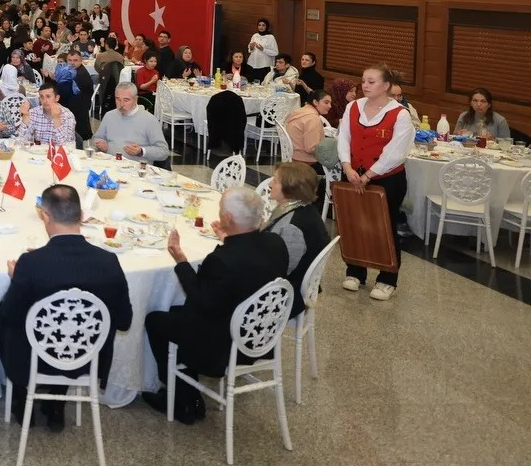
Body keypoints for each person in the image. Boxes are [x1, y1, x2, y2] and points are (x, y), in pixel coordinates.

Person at [141, 185, 288, 424]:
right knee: (177, 312)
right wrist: (228, 241)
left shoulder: (221, 260)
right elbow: (248, 271)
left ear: (227, 218)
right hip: (261, 335)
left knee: (155, 320)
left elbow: (201, 301)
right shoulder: (276, 243)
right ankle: (188, 393)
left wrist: (181, 261)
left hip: (223, 345)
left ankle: (181, 399)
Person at [0, 185, 132, 432]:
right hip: (87, 359)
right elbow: (124, 321)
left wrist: (17, 280)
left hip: (37, 358)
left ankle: (23, 397)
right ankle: (57, 404)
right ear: (81, 216)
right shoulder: (109, 262)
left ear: (45, 216)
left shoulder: (31, 263)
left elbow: (11, 315)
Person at [338, 65, 414, 301]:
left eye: (371, 82)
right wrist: (347, 167)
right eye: (363, 81)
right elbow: (344, 137)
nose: (365, 86)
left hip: (386, 179)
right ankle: (355, 271)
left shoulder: (400, 114)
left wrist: (369, 175)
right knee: (354, 224)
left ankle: (387, 278)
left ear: (386, 85)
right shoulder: (353, 107)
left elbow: (396, 152)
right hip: (353, 174)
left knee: (384, 227)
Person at [264, 162, 331, 316]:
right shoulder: (304, 209)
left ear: (290, 188)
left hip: (283, 297)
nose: (270, 184)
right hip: (289, 285)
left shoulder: (293, 227)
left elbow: (279, 270)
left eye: (275, 181)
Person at [93, 83, 170, 167]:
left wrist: (141, 151)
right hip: (110, 165)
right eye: (118, 99)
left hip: (136, 169)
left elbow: (163, 151)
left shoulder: (149, 120)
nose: (121, 104)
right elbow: (96, 138)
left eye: (126, 100)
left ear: (136, 99)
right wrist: (100, 144)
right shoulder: (109, 116)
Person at [18, 85, 77, 156]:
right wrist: (25, 117)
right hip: (37, 155)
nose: (45, 101)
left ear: (57, 98)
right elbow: (20, 141)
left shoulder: (67, 115)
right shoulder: (33, 113)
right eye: (42, 97)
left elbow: (66, 147)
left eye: (48, 96)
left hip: (58, 157)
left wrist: (56, 118)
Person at [55, 49, 95, 140]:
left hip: (78, 110)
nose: (72, 63)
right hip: (77, 105)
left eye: (75, 60)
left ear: (81, 61)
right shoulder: (73, 71)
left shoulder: (80, 74)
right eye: (69, 60)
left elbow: (66, 91)